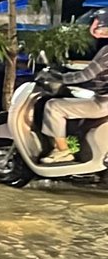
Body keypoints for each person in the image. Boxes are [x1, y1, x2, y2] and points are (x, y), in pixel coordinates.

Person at [38, 9, 108, 164]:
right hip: (101, 97)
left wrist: (60, 78)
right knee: (73, 95)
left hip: (103, 102)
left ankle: (63, 152)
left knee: (53, 106)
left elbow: (86, 75)